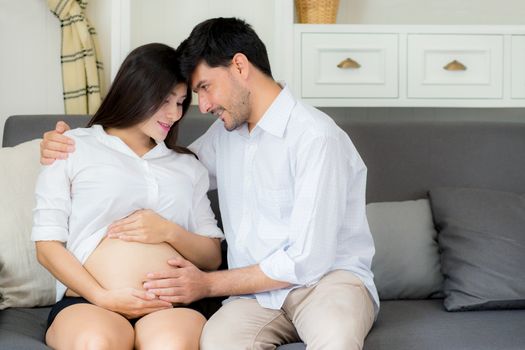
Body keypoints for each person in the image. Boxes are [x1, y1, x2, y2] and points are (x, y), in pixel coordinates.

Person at [40, 17, 379, 350]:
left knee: (336, 338)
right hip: (256, 296)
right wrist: (66, 145)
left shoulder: (315, 137)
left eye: (204, 87)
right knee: (218, 342)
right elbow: (168, 166)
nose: (200, 106)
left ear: (240, 67)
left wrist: (205, 284)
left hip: (324, 284)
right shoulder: (225, 134)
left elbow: (307, 261)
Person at [32, 43, 224, 350]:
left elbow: (212, 257)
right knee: (96, 342)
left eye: (181, 102)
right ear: (136, 91)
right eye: (165, 100)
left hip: (170, 304)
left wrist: (167, 230)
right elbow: (46, 246)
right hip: (91, 301)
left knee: (171, 345)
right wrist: (103, 296)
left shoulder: (187, 166)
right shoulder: (72, 147)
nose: (174, 114)